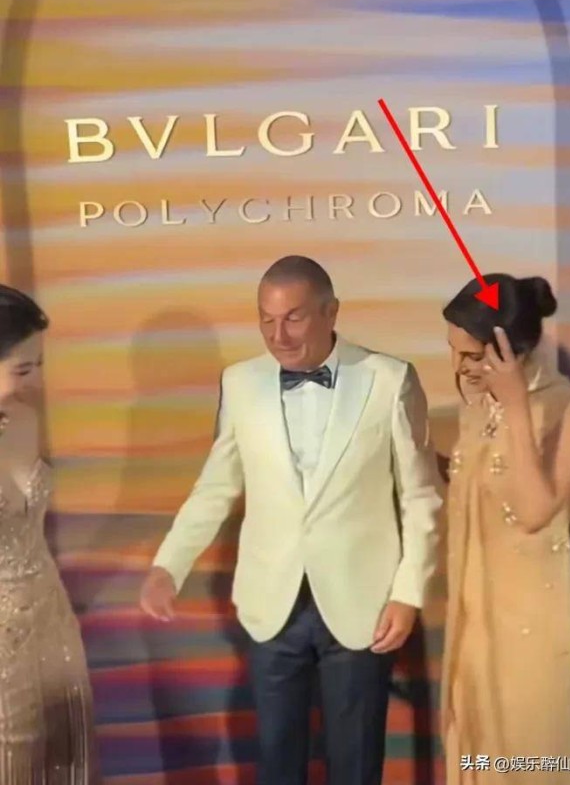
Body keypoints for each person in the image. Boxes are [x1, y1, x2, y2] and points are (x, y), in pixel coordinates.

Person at [140, 255, 442, 785]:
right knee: (277, 763)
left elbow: (420, 496)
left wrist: (408, 593)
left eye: (294, 318)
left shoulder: (389, 379)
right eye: (266, 319)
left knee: (356, 765)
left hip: (363, 603)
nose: (278, 336)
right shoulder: (240, 382)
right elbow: (216, 487)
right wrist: (169, 564)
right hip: (270, 603)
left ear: (331, 312)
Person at [440, 273, 570, 784]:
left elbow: (535, 513)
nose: (460, 368)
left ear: (513, 351)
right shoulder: (477, 407)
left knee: (531, 759)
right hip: (475, 615)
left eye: (471, 356)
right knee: (476, 754)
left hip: (533, 624)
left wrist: (515, 409)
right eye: (454, 352)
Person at [0, 284, 99, 782]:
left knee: (68, 758)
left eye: (39, 365)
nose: (36, 380)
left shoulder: (24, 420)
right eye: (23, 369)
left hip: (53, 623)